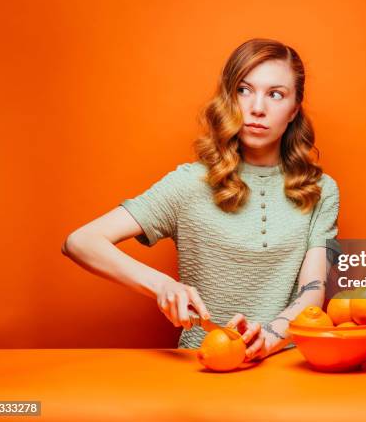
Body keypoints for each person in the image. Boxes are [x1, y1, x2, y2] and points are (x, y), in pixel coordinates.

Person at [62, 38, 340, 361]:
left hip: (287, 369)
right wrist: (161, 285)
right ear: (228, 98)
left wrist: (267, 339)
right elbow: (79, 241)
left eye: (275, 94)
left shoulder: (321, 190)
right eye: (244, 90)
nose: (257, 108)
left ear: (294, 109)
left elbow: (313, 293)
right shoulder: (191, 183)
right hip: (202, 367)